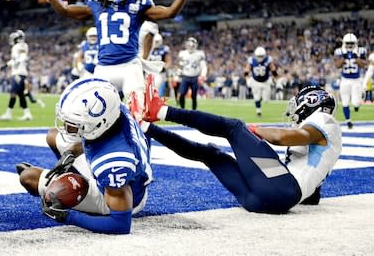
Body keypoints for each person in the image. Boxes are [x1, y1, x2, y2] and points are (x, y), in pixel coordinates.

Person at [141, 75, 341, 213]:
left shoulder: (326, 120)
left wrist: (255, 130)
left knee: (234, 127)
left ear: (312, 101)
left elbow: (282, 138)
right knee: (210, 154)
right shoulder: (327, 144)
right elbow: (312, 196)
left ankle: (161, 112)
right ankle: (146, 127)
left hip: (280, 188)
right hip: (264, 199)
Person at [29, 0, 200, 117]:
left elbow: (170, 12)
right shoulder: (96, 3)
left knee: (139, 117)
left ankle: (141, 147)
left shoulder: (139, 4)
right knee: (96, 118)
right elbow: (64, 10)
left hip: (130, 68)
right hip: (104, 69)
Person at [16, 78, 152, 234]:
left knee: (29, 177)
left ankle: (73, 189)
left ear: (99, 124)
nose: (67, 126)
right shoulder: (114, 109)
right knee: (53, 135)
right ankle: (71, 176)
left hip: (123, 198)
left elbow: (120, 225)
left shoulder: (114, 164)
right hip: (117, 169)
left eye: (73, 124)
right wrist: (72, 152)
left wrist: (68, 216)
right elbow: (100, 137)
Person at [0, 30, 33, 121]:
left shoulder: (20, 46)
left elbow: (22, 56)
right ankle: (27, 114)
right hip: (20, 72)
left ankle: (8, 114)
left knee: (13, 93)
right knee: (20, 94)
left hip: (18, 73)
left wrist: (17, 62)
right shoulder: (20, 46)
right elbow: (14, 60)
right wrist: (6, 65)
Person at [333, 33, 368, 129]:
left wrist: (356, 57)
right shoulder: (339, 51)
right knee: (345, 102)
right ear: (344, 43)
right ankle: (348, 121)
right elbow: (337, 65)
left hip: (356, 80)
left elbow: (364, 64)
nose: (349, 45)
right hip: (345, 80)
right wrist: (344, 57)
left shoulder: (360, 50)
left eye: (351, 43)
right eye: (348, 43)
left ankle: (357, 104)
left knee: (356, 102)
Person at [245, 46, 277, 117]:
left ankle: (261, 99)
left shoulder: (268, 60)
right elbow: (247, 70)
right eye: (258, 56)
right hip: (255, 81)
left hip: (266, 81)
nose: (260, 57)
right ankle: (258, 112)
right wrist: (247, 79)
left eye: (261, 56)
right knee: (256, 97)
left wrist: (274, 79)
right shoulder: (251, 60)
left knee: (266, 100)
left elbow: (273, 69)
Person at [177, 37, 207, 110]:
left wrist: (202, 75)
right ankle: (182, 109)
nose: (191, 47)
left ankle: (194, 111)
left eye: (192, 46)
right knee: (182, 94)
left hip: (195, 77)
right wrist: (177, 75)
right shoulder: (182, 53)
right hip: (185, 77)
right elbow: (180, 66)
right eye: (189, 45)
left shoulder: (200, 53)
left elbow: (204, 66)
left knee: (194, 96)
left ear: (195, 45)